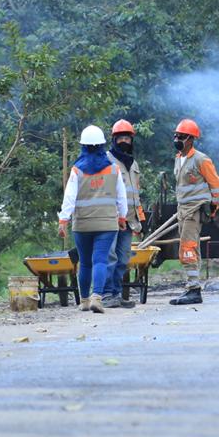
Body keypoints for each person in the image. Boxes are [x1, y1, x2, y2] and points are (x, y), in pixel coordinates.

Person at [58, 125, 127, 314]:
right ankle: (98, 296)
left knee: (85, 262)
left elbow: (69, 198)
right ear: (102, 145)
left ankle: (84, 301)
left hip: (82, 224)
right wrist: (122, 217)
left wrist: (63, 220)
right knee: (100, 260)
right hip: (107, 224)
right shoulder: (113, 169)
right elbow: (121, 196)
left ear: (83, 146)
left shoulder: (77, 170)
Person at [169, 118, 219, 305]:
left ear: (191, 139)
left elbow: (215, 184)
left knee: (188, 248)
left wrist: (213, 206)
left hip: (194, 211)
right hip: (182, 211)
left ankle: (194, 290)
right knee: (189, 248)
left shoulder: (201, 159)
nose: (177, 139)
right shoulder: (178, 159)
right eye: (176, 136)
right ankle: (191, 286)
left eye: (181, 137)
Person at [102, 119, 146, 309]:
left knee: (122, 260)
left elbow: (135, 193)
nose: (124, 142)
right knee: (109, 258)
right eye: (120, 138)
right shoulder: (106, 161)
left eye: (127, 138)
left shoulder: (134, 164)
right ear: (113, 139)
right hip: (111, 219)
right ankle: (105, 295)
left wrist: (140, 218)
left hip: (129, 221)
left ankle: (117, 295)